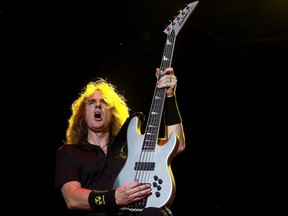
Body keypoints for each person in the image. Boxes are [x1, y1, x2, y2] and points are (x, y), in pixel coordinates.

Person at [55, 67, 186, 216]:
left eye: (104, 102)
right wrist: (114, 197)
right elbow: (72, 198)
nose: (98, 105)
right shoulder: (70, 153)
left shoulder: (131, 145)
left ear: (113, 113)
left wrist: (169, 97)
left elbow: (177, 144)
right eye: (91, 102)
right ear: (82, 115)